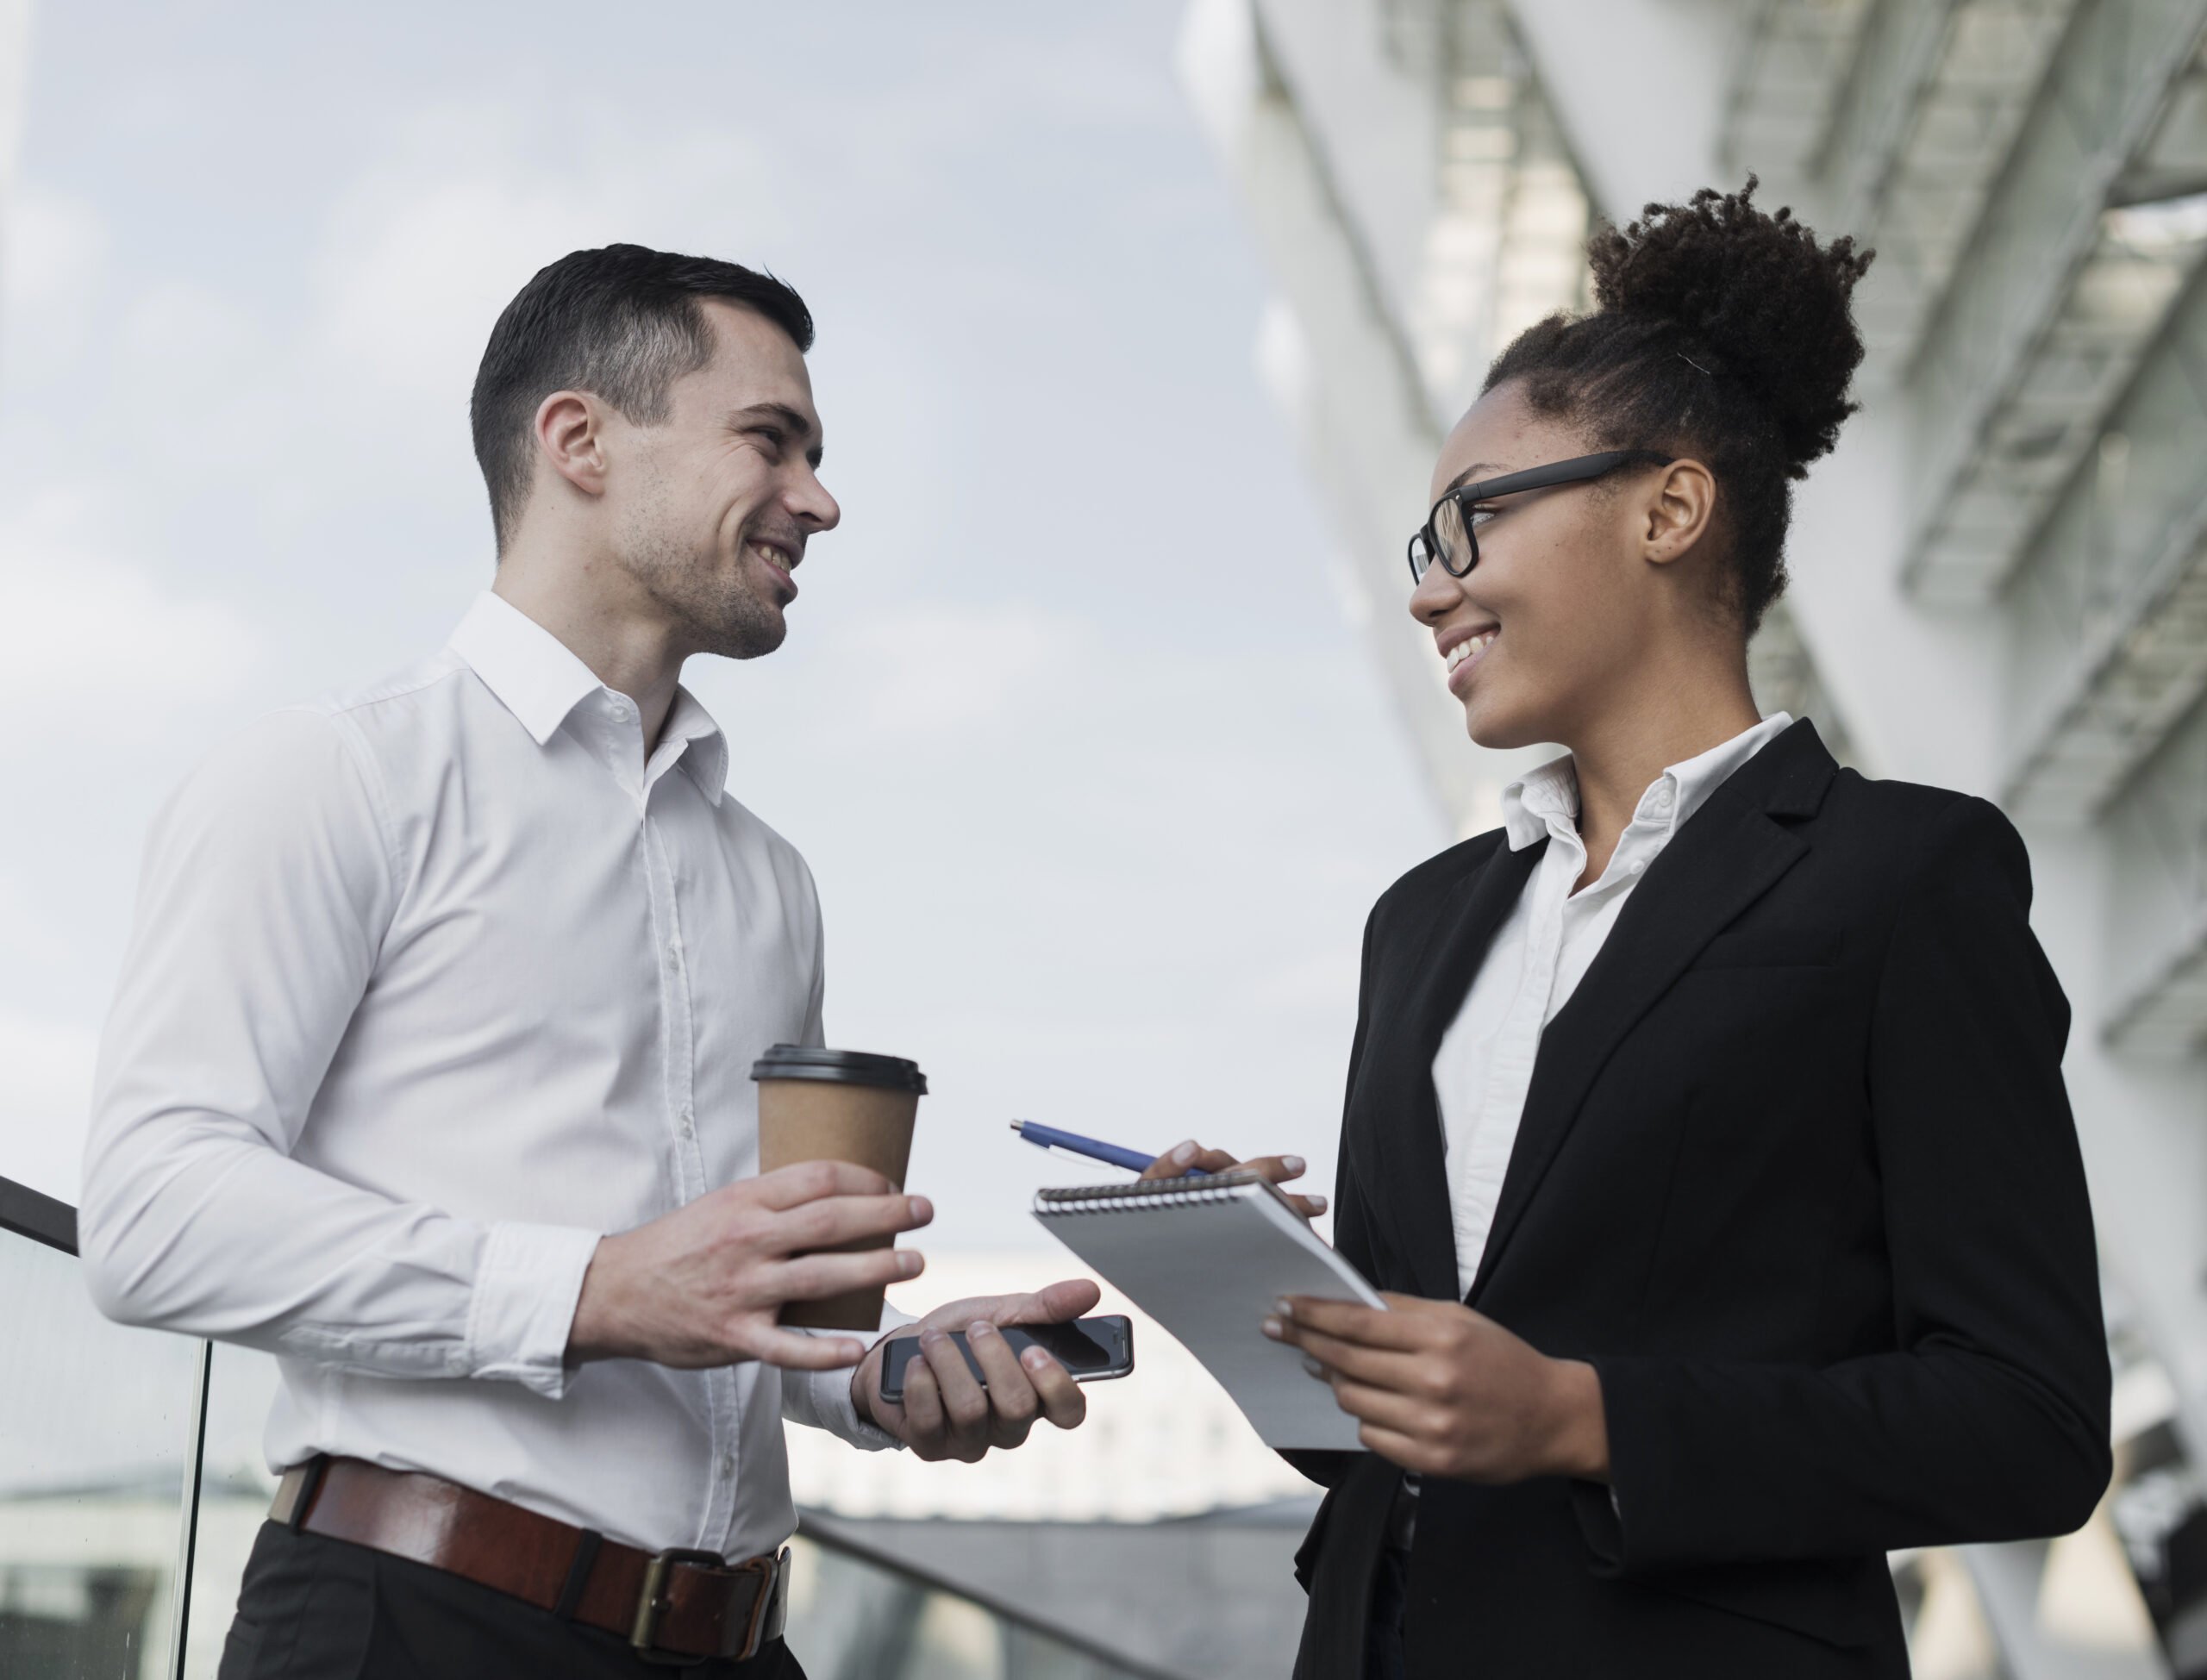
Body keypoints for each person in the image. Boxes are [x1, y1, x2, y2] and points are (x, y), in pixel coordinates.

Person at [79, 244, 1102, 1680]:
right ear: (579, 441)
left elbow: (718, 1302)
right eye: (772, 438)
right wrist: (594, 1288)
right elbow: (152, 1213)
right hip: (408, 1627)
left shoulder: (771, 881)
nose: (819, 497)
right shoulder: (338, 775)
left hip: (737, 1643)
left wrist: (884, 1373)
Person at [1154, 182, 2111, 1677]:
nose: (1432, 588)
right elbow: (1394, 1450)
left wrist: (1584, 1417)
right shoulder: (1421, 927)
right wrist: (1279, 1298)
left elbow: (2029, 1424)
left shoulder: (1903, 875)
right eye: (1424, 541)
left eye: (1477, 518)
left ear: (1670, 508)